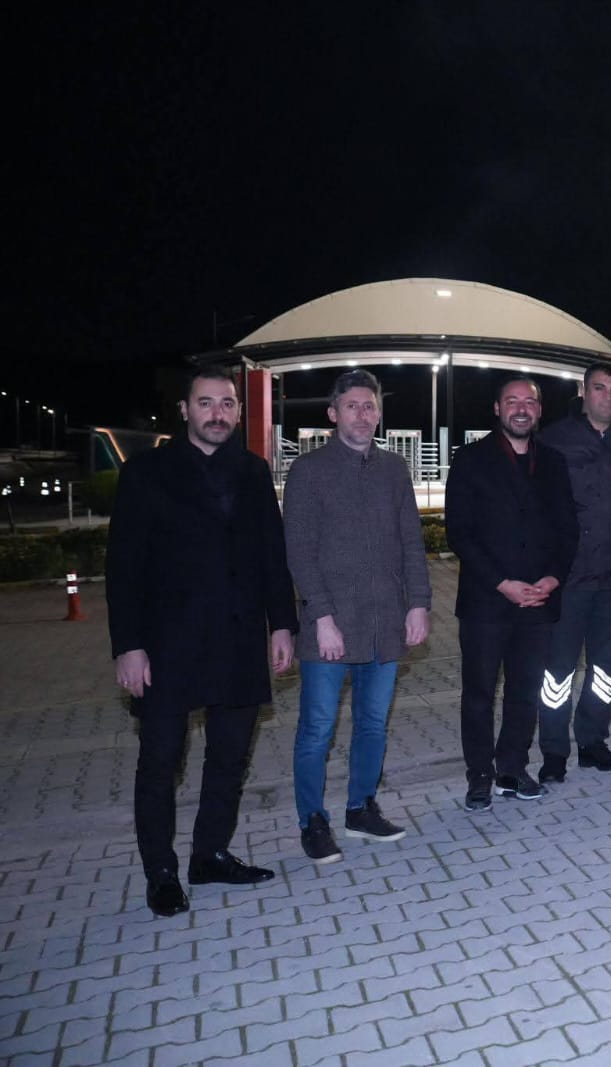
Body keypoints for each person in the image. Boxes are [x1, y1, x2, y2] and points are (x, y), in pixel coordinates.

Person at [107, 369, 297, 917]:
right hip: (166, 644)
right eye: (206, 402)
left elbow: (271, 556)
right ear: (185, 411)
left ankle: (210, 853)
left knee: (229, 756)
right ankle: (161, 872)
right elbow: (123, 566)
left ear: (238, 413)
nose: (218, 413)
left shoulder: (254, 472)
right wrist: (129, 644)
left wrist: (282, 624)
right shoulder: (146, 473)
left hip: (238, 639)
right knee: (160, 760)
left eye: (228, 404)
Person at [284, 369, 431, 863]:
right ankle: (312, 820)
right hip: (331, 625)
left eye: (369, 406)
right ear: (333, 413)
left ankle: (360, 808)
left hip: (385, 622)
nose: (362, 415)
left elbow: (412, 542)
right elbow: (299, 553)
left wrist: (418, 604)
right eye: (352, 406)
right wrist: (321, 617)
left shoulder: (394, 469)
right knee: (317, 730)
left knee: (372, 724)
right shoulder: (309, 471)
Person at [446, 377, 578, 811]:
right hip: (488, 601)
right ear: (497, 409)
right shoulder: (470, 460)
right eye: (512, 401)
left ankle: (512, 769)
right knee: (479, 693)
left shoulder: (554, 463)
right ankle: (479, 775)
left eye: (530, 402)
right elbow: (460, 533)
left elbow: (568, 530)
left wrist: (553, 579)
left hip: (540, 601)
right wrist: (503, 583)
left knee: (526, 691)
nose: (521, 409)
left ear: (539, 411)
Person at [537, 364, 611, 782]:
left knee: (604, 670)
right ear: (583, 391)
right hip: (569, 579)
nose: (608, 397)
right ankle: (554, 751)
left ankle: (593, 740)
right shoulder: (554, 441)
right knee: (558, 672)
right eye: (600, 389)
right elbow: (539, 511)